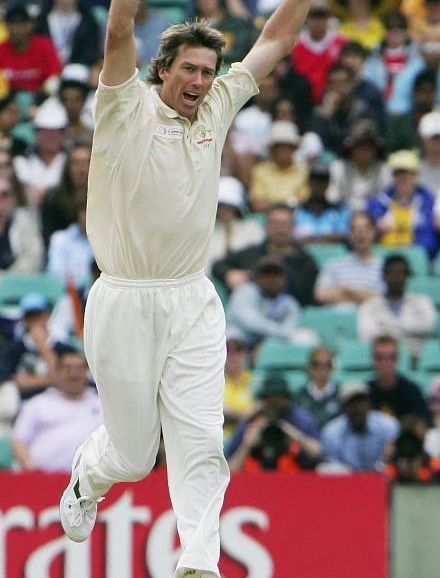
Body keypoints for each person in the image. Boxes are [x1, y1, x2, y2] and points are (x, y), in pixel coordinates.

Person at [57, 3, 313, 578]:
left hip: (194, 299)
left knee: (201, 440)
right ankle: (89, 475)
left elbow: (277, 38)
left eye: (207, 71)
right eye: (189, 70)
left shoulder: (218, 106)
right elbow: (119, 30)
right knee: (133, 454)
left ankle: (198, 563)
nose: (200, 81)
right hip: (124, 297)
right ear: (162, 70)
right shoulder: (126, 106)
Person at [12, 346, 103, 472]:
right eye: (68, 368)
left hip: (92, 482)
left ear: (87, 372)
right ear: (57, 371)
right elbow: (19, 440)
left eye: (79, 368)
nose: (74, 373)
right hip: (43, 480)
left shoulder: (101, 405)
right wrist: (29, 467)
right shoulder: (38, 404)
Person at [357, 254, 436, 357]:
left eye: (400, 273)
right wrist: (408, 332)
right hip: (384, 360)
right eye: (392, 273)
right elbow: (367, 336)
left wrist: (388, 330)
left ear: (407, 276)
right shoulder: (369, 307)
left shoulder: (423, 302)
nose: (396, 278)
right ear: (383, 276)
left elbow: (428, 327)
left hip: (417, 356)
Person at [225, 255, 304, 348]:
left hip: (269, 343)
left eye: (276, 275)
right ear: (257, 277)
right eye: (266, 275)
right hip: (241, 339)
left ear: (285, 279)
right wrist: (278, 331)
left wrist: (267, 341)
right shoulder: (245, 291)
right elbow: (251, 322)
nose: (271, 279)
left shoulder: (289, 303)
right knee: (233, 337)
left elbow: (289, 330)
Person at [320, 380, 400, 472]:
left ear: (369, 404)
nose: (357, 408)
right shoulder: (331, 433)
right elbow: (333, 467)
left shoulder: (388, 426)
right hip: (346, 483)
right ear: (343, 407)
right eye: (351, 403)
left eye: (361, 401)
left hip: (381, 480)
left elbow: (389, 462)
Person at [368, 335, 431, 422]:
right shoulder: (364, 394)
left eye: (391, 357)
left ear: (398, 359)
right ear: (373, 360)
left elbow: (426, 423)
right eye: (380, 358)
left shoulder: (412, 391)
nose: (385, 363)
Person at [294, 346, 340, 429]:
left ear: (332, 368)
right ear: (309, 367)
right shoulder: (300, 395)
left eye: (327, 365)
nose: (322, 369)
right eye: (317, 365)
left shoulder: (340, 393)